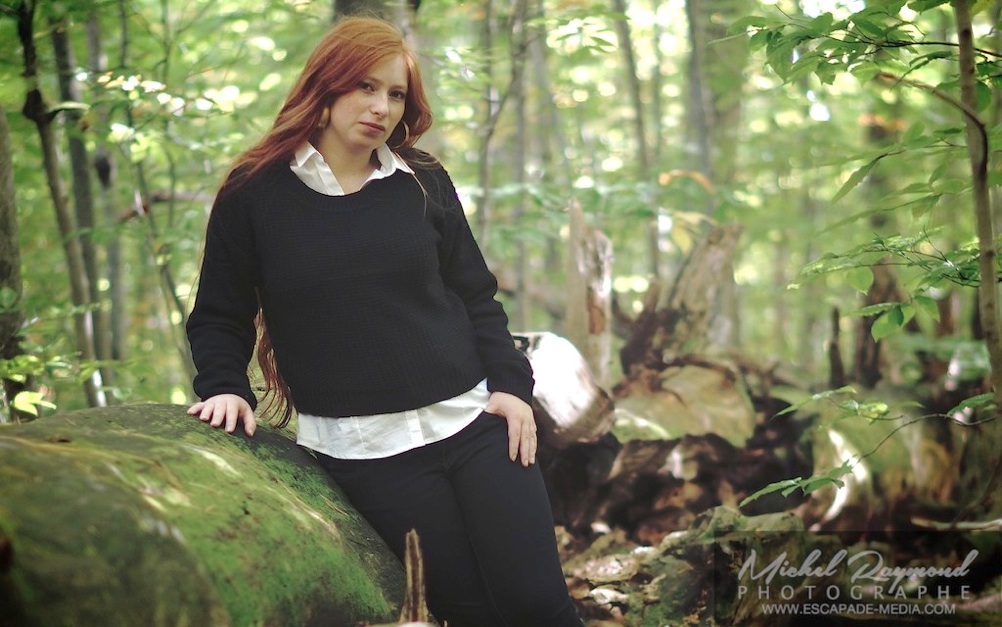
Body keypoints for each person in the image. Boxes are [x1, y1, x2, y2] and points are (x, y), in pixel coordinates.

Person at [185, 15, 583, 627]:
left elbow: (477, 296)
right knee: (471, 611)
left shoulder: (421, 181)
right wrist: (224, 388)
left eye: (396, 94)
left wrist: (510, 387)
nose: (381, 107)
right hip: (369, 453)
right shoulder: (255, 193)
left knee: (539, 605)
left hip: (479, 426)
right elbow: (218, 314)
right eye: (365, 87)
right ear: (326, 86)